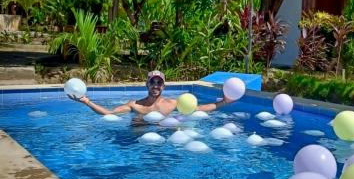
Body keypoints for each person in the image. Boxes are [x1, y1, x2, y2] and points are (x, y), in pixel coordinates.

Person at [69, 70, 232, 117]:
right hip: (138, 144)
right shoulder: (134, 105)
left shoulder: (173, 104)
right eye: (152, 82)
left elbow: (200, 108)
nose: (156, 85)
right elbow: (109, 113)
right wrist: (87, 102)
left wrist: (223, 102)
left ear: (164, 86)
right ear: (147, 84)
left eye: (159, 82)